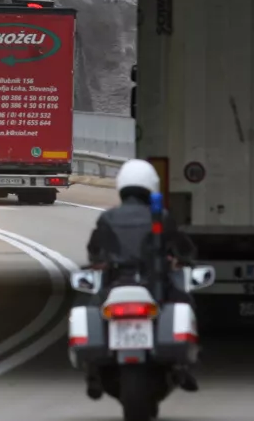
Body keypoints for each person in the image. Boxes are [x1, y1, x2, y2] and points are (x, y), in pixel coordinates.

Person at [84, 159, 199, 396]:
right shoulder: (162, 217)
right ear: (151, 186)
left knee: (92, 307)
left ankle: (93, 372)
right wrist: (180, 259)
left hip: (115, 285)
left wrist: (100, 263)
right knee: (185, 301)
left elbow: (95, 252)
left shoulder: (107, 218)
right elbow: (184, 248)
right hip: (154, 286)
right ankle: (184, 365)